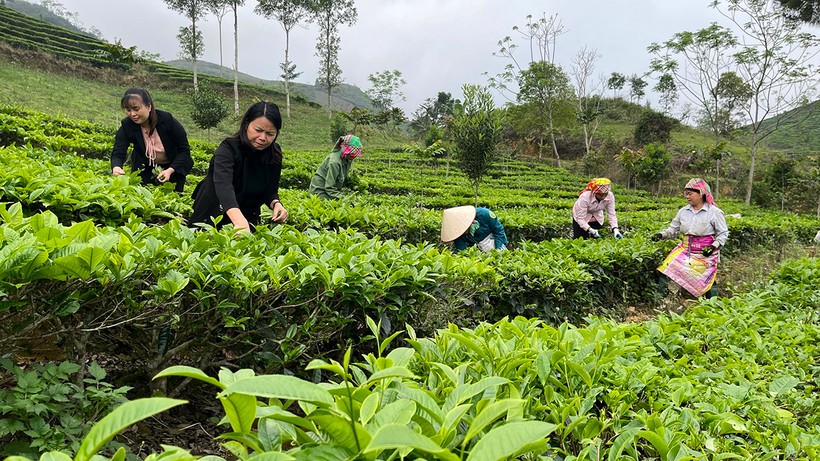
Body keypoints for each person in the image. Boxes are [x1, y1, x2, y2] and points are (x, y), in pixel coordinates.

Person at [189, 101, 288, 233]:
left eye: (270, 133)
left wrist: (276, 204)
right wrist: (238, 220)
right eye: (258, 130)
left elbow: (270, 191)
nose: (263, 138)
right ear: (246, 124)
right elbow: (224, 186)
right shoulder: (228, 148)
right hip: (212, 216)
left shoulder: (274, 153)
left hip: (248, 218)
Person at [652, 178, 729, 298]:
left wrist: (713, 247)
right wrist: (662, 235)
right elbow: (673, 229)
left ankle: (713, 303)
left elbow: (723, 233)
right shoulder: (683, 211)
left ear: (701, 194)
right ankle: (660, 298)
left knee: (706, 279)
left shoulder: (715, 212)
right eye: (686, 194)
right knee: (665, 268)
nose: (687, 197)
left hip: (705, 253)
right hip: (685, 249)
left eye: (690, 194)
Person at [110, 87, 193, 192]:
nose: (132, 114)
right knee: (142, 196)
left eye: (136, 109)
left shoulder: (167, 121)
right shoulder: (128, 125)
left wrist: (170, 170)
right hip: (145, 168)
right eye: (128, 110)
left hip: (173, 167)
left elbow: (184, 150)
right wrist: (116, 166)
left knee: (172, 196)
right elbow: (118, 151)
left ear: (149, 106)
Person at [308, 134, 363, 200]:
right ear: (346, 150)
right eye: (352, 154)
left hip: (331, 191)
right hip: (320, 192)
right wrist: (344, 198)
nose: (354, 157)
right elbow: (329, 188)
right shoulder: (335, 162)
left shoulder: (347, 159)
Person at [441, 205, 508, 252]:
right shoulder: (458, 234)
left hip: (494, 241)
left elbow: (499, 232)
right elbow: (461, 250)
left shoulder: (485, 214)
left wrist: (498, 249)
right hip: (478, 248)